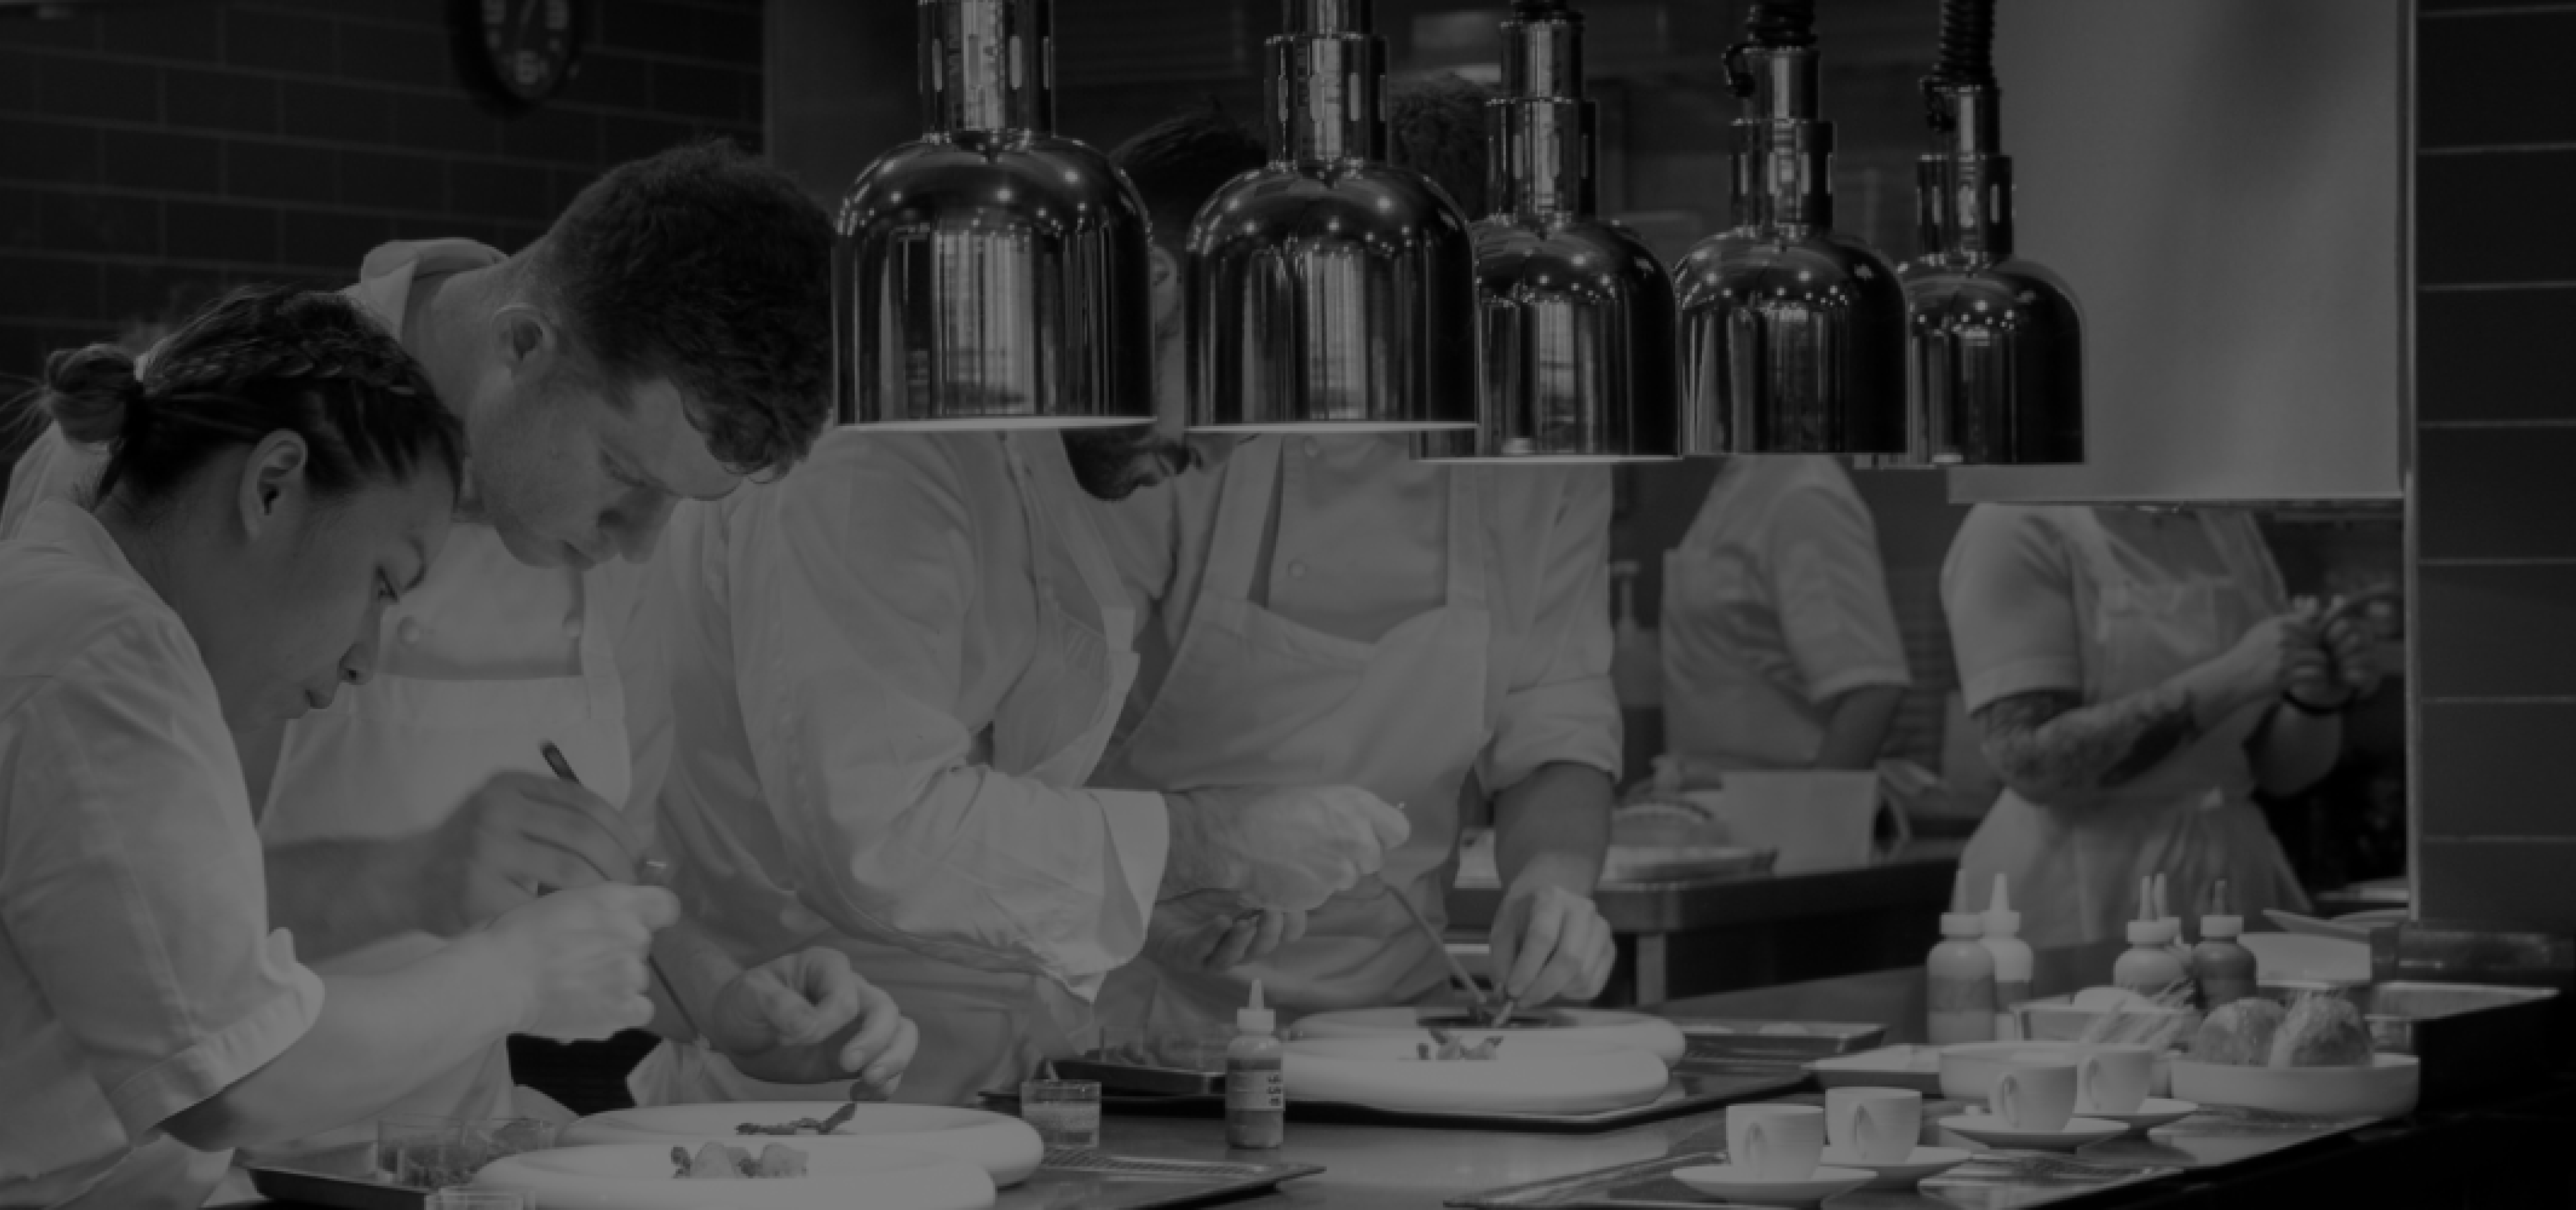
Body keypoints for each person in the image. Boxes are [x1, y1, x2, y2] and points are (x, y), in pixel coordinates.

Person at [1, 142, 910, 1154]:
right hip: (180, 1162)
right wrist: (418, 884)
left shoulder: (616, 528)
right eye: (623, 474)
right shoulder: (167, 462)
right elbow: (118, 894)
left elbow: (595, 863)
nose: (639, 540)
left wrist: (721, 997)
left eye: (685, 502)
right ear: (523, 347)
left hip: (444, 1150)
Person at [0, 287, 676, 1210]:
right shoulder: (110, 649)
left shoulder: (64, 601)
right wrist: (519, 973)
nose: (365, 656)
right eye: (382, 584)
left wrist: (427, 887)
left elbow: (169, 962)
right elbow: (233, 1081)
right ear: (272, 484)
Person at [1091, 84, 1623, 1035]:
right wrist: (1184, 871)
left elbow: (1556, 731)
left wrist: (1553, 891)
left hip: (1393, 1017)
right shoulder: (1198, 431)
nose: (1467, 369)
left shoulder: (1542, 457)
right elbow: (1046, 738)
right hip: (1138, 1001)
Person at [1941, 504, 2381, 947]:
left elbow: (2274, 773)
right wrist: (2236, 676)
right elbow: (2031, 763)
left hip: (2227, 873)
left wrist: (2315, 698)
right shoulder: (2015, 525)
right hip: (2076, 891)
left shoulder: (2225, 521)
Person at [1656, 456, 1911, 779]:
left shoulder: (1804, 496)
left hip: (1775, 813)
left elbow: (1871, 691)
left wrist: (1809, 820)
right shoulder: (1738, 483)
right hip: (1720, 809)